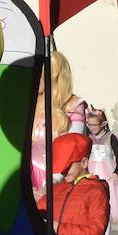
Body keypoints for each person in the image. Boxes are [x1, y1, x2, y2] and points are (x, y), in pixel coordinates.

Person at [30, 50, 87, 202]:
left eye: (38, 74)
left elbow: (72, 148)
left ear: (53, 76)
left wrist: (50, 184)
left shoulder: (75, 105)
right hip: (28, 179)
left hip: (59, 182)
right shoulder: (32, 104)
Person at [84, 107, 118, 235]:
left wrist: (115, 173)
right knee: (88, 212)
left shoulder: (111, 138)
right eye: (88, 124)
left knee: (105, 212)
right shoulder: (87, 138)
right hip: (90, 176)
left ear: (103, 124)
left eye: (94, 124)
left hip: (106, 178)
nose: (91, 127)